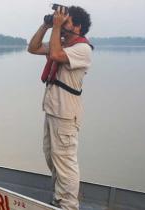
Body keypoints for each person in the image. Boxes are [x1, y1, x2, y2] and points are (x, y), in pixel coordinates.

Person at [28, 5, 92, 210]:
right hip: (53, 111)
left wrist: (56, 27)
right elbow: (33, 48)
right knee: (52, 158)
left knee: (65, 163)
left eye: (67, 22)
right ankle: (59, 198)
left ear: (78, 27)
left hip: (65, 115)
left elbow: (55, 54)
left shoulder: (82, 50)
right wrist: (46, 25)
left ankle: (69, 205)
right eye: (61, 22)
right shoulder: (63, 43)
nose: (62, 25)